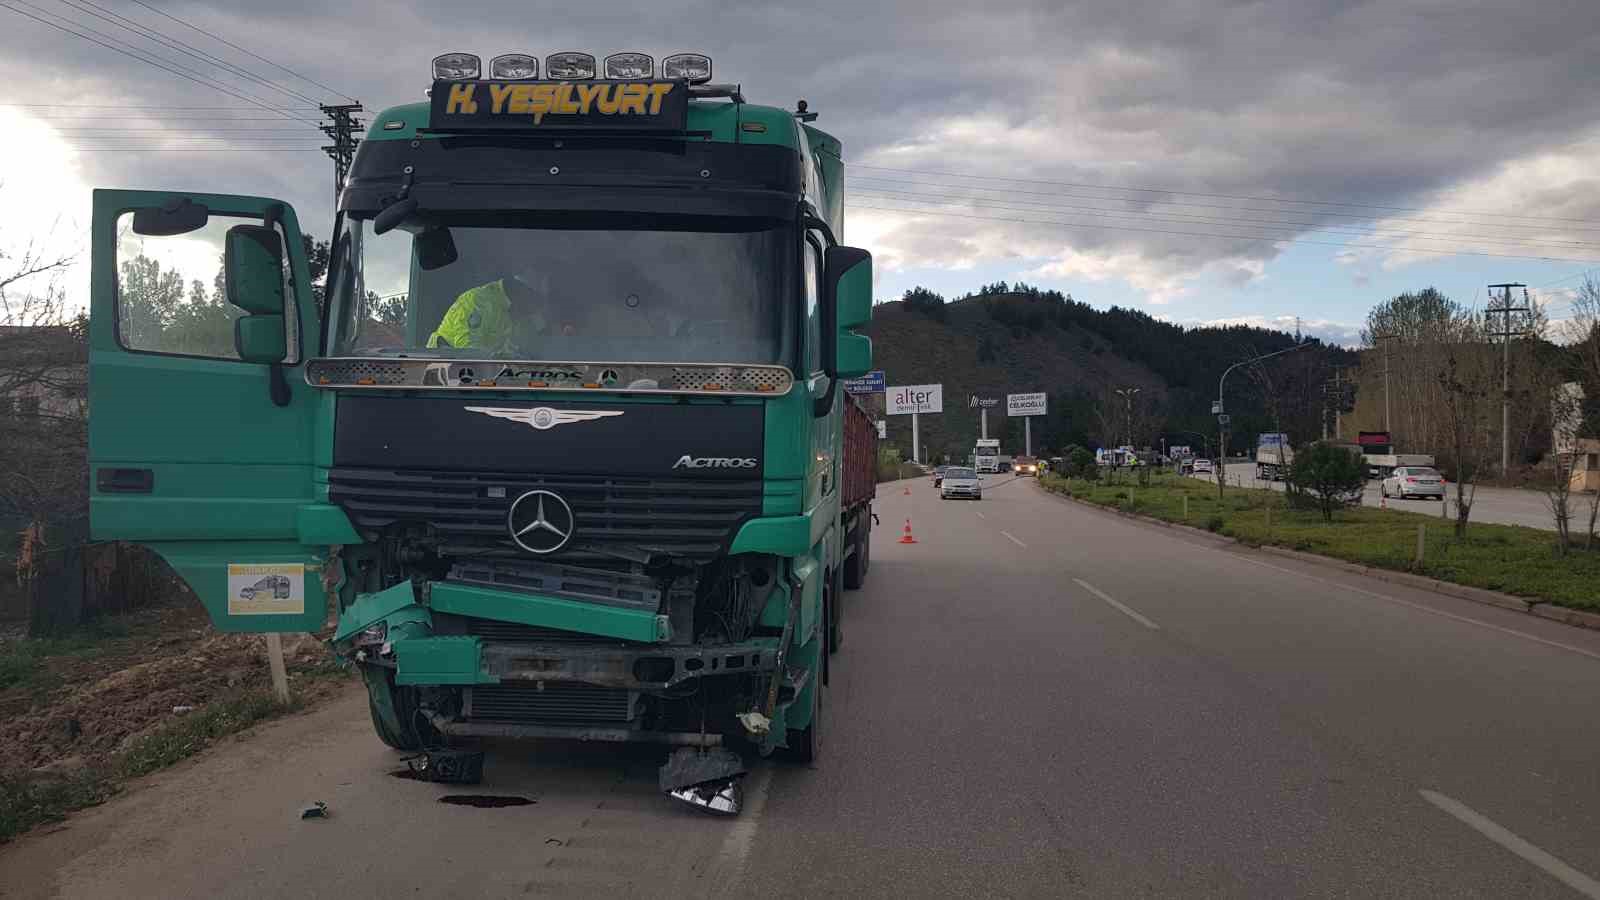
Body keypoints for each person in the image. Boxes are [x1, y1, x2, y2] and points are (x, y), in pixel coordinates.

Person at [428, 272, 559, 354]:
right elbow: (466, 349)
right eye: (536, 301)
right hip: (443, 376)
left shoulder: (519, 314)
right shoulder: (480, 301)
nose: (536, 309)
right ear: (521, 291)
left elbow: (531, 348)